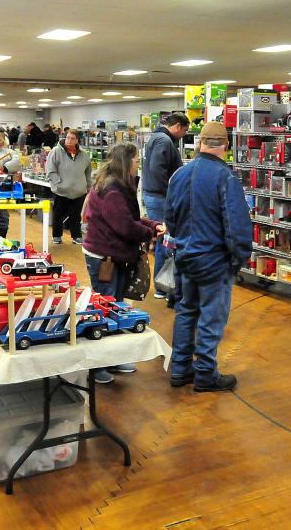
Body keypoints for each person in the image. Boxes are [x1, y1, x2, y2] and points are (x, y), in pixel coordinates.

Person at [165, 122, 252, 393]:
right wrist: (238, 259)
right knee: (211, 318)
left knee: (186, 311)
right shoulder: (225, 178)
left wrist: (182, 244)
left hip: (184, 257)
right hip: (213, 260)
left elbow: (170, 218)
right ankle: (205, 374)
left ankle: (179, 369)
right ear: (225, 146)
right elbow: (236, 225)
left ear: (199, 143)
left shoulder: (179, 175)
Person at [82, 142, 165, 384]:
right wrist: (149, 232)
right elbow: (125, 226)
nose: (139, 163)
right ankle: (98, 366)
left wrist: (151, 224)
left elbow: (129, 219)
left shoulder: (116, 186)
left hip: (113, 256)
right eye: (136, 159)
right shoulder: (113, 190)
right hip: (105, 258)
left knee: (115, 307)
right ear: (125, 162)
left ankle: (113, 359)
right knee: (105, 309)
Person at [142, 113, 189, 299]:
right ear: (177, 126)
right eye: (184, 131)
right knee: (165, 240)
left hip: (154, 196)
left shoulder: (156, 137)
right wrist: (170, 194)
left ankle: (163, 285)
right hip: (160, 197)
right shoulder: (164, 141)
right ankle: (163, 286)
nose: (184, 135)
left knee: (163, 239)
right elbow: (157, 170)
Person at [46, 129, 92, 244]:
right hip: (61, 191)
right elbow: (50, 170)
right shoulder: (56, 151)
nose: (69, 140)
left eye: (72, 138)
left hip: (79, 191)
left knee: (75, 215)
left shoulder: (84, 154)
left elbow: (88, 172)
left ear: (77, 140)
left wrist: (88, 186)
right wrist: (59, 183)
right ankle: (57, 235)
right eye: (67, 137)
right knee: (58, 214)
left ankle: (76, 236)